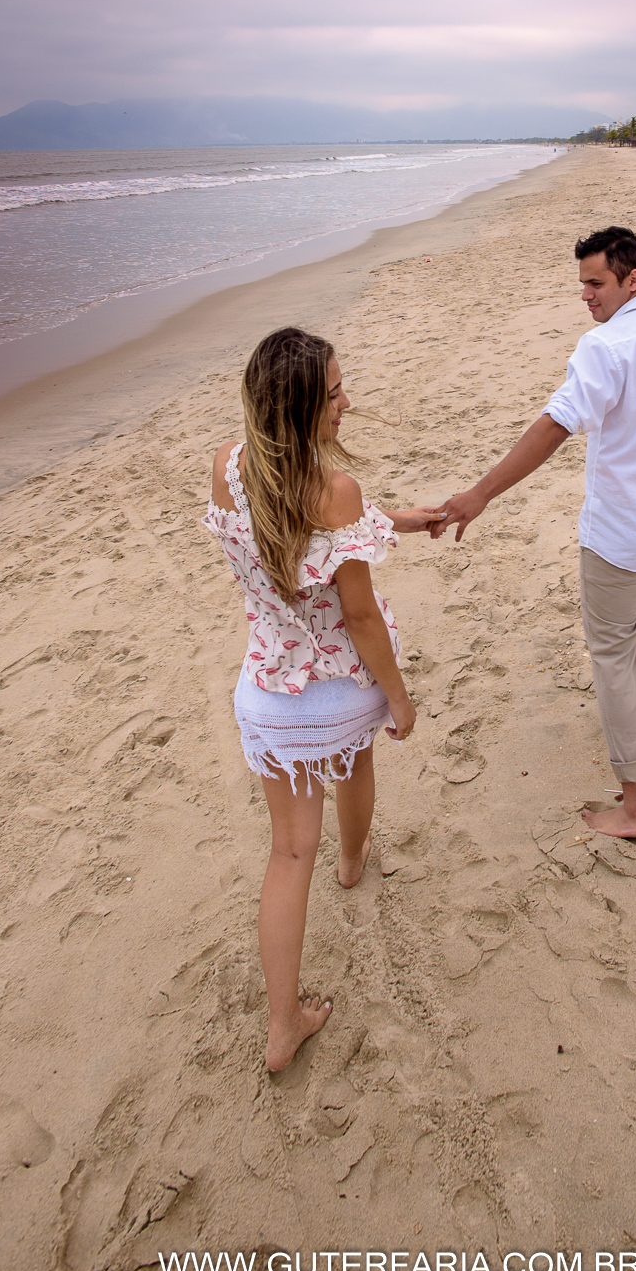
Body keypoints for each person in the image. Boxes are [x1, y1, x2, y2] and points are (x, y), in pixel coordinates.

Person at [431, 226, 636, 841]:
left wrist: (480, 494)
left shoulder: (606, 346)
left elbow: (555, 426)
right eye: (581, 284)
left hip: (622, 529)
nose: (586, 295)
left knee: (608, 652)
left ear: (634, 279)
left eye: (596, 282)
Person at [204, 326, 441, 1071]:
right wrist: (398, 698)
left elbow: (312, 534)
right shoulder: (333, 488)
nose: (347, 402)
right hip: (337, 687)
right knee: (357, 754)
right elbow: (360, 615)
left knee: (284, 852)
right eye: (334, 392)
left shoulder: (228, 466)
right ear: (303, 406)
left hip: (270, 689)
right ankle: (353, 860)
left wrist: (403, 520)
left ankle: (283, 1026)